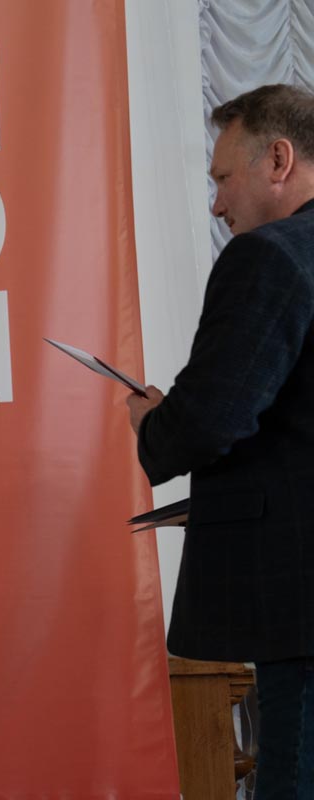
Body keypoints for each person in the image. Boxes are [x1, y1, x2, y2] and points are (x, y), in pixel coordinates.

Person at [126, 84, 314, 800]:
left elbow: (210, 419)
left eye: (223, 178)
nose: (216, 204)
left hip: (298, 603)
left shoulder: (270, 255)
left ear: (279, 160)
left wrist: (152, 423)